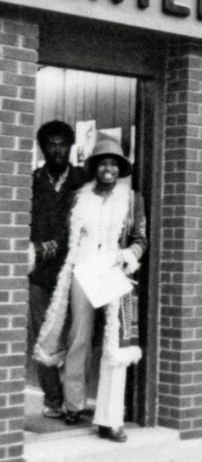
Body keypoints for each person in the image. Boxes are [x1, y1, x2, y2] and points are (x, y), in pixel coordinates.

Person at [34, 137, 146, 443]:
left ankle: (111, 420)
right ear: (95, 168)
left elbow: (140, 239)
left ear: (120, 169)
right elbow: (64, 236)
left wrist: (128, 255)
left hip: (113, 274)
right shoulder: (78, 197)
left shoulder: (132, 200)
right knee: (78, 337)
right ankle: (74, 405)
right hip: (83, 271)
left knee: (114, 344)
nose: (108, 168)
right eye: (103, 163)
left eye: (114, 164)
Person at [28, 120, 90, 420]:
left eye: (62, 144)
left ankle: (73, 401)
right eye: (51, 145)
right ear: (42, 148)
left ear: (70, 147)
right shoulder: (31, 181)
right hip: (40, 274)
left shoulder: (82, 180)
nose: (57, 150)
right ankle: (53, 400)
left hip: (75, 269)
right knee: (44, 334)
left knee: (76, 335)